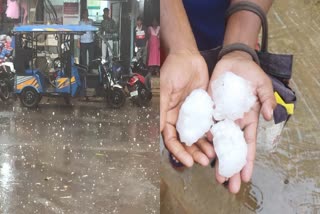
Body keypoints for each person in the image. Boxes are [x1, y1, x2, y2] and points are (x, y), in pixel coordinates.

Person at [160, 0, 276, 194]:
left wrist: (240, 47)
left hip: (233, 23)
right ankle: (182, 156)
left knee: (197, 135)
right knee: (175, 119)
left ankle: (214, 157)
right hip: (171, 31)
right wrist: (180, 46)